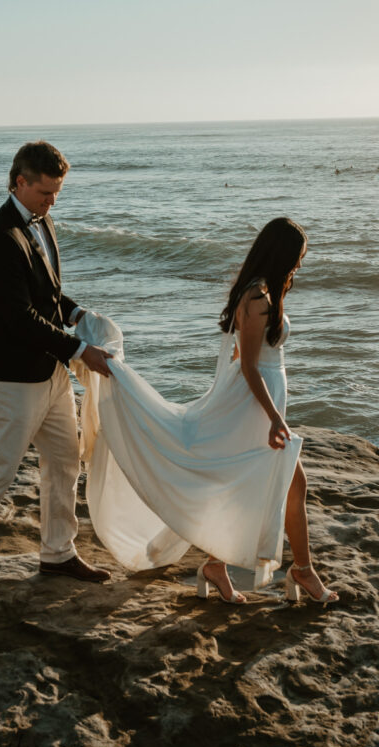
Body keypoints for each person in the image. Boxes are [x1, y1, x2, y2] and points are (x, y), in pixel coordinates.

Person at [75, 217, 339, 606]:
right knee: (286, 484)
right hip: (253, 407)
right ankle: (301, 571)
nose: (299, 265)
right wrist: (275, 418)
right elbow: (248, 365)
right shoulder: (258, 299)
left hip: (255, 404)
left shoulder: (260, 295)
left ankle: (224, 566)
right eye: (297, 258)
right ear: (280, 254)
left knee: (248, 484)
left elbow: (238, 354)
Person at [0, 141, 113, 608]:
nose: (53, 202)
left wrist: (76, 314)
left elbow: (47, 294)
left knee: (66, 461)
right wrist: (79, 349)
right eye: (46, 193)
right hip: (10, 377)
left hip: (48, 373)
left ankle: (57, 552)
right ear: (20, 182)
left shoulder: (41, 221)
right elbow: (17, 315)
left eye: (57, 193)